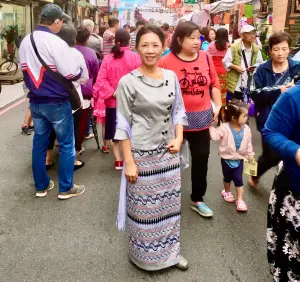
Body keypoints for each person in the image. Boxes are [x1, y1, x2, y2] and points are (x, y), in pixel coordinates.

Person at [115, 25, 188, 271]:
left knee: (169, 209)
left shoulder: (171, 78)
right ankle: (144, 258)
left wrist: (178, 139)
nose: (150, 50)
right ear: (136, 48)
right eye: (144, 45)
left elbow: (179, 110)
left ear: (163, 47)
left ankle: (171, 254)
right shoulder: (127, 82)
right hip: (141, 156)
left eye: (155, 45)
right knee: (144, 211)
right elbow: (122, 125)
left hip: (168, 155)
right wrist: (129, 161)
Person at [19, 4, 85, 199]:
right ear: (56, 22)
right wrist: (80, 72)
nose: (62, 24)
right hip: (57, 101)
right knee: (66, 144)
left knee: (39, 143)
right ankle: (66, 188)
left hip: (36, 102)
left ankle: (42, 185)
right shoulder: (56, 42)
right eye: (62, 21)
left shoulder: (25, 41)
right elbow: (71, 72)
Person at [159, 21, 222, 218]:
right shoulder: (166, 62)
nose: (197, 42)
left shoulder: (205, 57)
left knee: (201, 158)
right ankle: (165, 199)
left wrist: (218, 105)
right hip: (174, 121)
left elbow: (214, 83)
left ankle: (197, 199)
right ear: (179, 39)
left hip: (202, 118)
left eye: (199, 38)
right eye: (192, 38)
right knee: (168, 160)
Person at [249, 32, 300, 188]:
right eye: (276, 49)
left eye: (284, 49)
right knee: (271, 156)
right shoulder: (261, 69)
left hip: (293, 118)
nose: (280, 53)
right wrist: (280, 90)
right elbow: (254, 92)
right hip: (268, 119)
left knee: (291, 154)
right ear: (270, 50)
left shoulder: (297, 68)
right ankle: (253, 173)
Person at [262, 81, 300, 282]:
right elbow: (271, 131)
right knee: (290, 257)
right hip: (294, 190)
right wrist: (295, 151)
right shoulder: (293, 97)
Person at [93, 29, 141, 170]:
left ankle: (118, 161)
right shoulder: (135, 57)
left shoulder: (108, 58)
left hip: (112, 103)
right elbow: (140, 79)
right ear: (130, 41)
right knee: (131, 130)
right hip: (132, 102)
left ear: (115, 41)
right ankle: (129, 158)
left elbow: (100, 80)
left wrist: (113, 93)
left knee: (114, 132)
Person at [46, 24, 89, 171]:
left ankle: (47, 158)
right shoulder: (76, 54)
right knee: (72, 130)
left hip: (51, 96)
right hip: (73, 98)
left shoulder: (50, 52)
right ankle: (73, 160)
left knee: (50, 129)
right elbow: (85, 77)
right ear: (74, 39)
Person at [210, 100, 255, 212]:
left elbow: (249, 144)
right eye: (244, 116)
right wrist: (209, 125)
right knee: (227, 178)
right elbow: (215, 136)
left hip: (239, 159)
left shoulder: (247, 129)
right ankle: (227, 192)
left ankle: (240, 199)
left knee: (238, 179)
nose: (247, 118)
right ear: (234, 118)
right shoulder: (224, 128)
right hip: (226, 159)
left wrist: (251, 156)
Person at [223, 25, 263, 102]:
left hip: (250, 83)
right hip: (235, 84)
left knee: (248, 109)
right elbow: (225, 62)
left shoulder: (256, 48)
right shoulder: (234, 47)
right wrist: (235, 67)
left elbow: (260, 63)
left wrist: (253, 67)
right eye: (249, 33)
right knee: (234, 108)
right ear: (242, 35)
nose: (252, 35)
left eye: (254, 33)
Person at [75, 27, 99, 152]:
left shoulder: (67, 51)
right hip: (85, 91)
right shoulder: (91, 53)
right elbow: (95, 74)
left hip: (68, 90)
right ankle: (77, 147)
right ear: (87, 38)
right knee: (82, 120)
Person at [207, 28, 230, 104]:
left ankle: (213, 105)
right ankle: (222, 108)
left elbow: (207, 56)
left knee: (214, 88)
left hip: (214, 70)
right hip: (225, 70)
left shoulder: (212, 44)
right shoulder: (228, 45)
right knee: (223, 91)